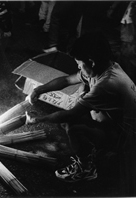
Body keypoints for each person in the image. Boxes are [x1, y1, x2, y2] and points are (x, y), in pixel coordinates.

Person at [26, 32, 136, 196]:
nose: (78, 67)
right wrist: (39, 90)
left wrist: (38, 119)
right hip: (116, 122)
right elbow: (67, 80)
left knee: (72, 125)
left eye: (79, 63)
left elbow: (70, 115)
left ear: (91, 61)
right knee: (83, 106)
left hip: (127, 138)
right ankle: (96, 149)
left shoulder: (107, 84)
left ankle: (86, 169)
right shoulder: (102, 67)